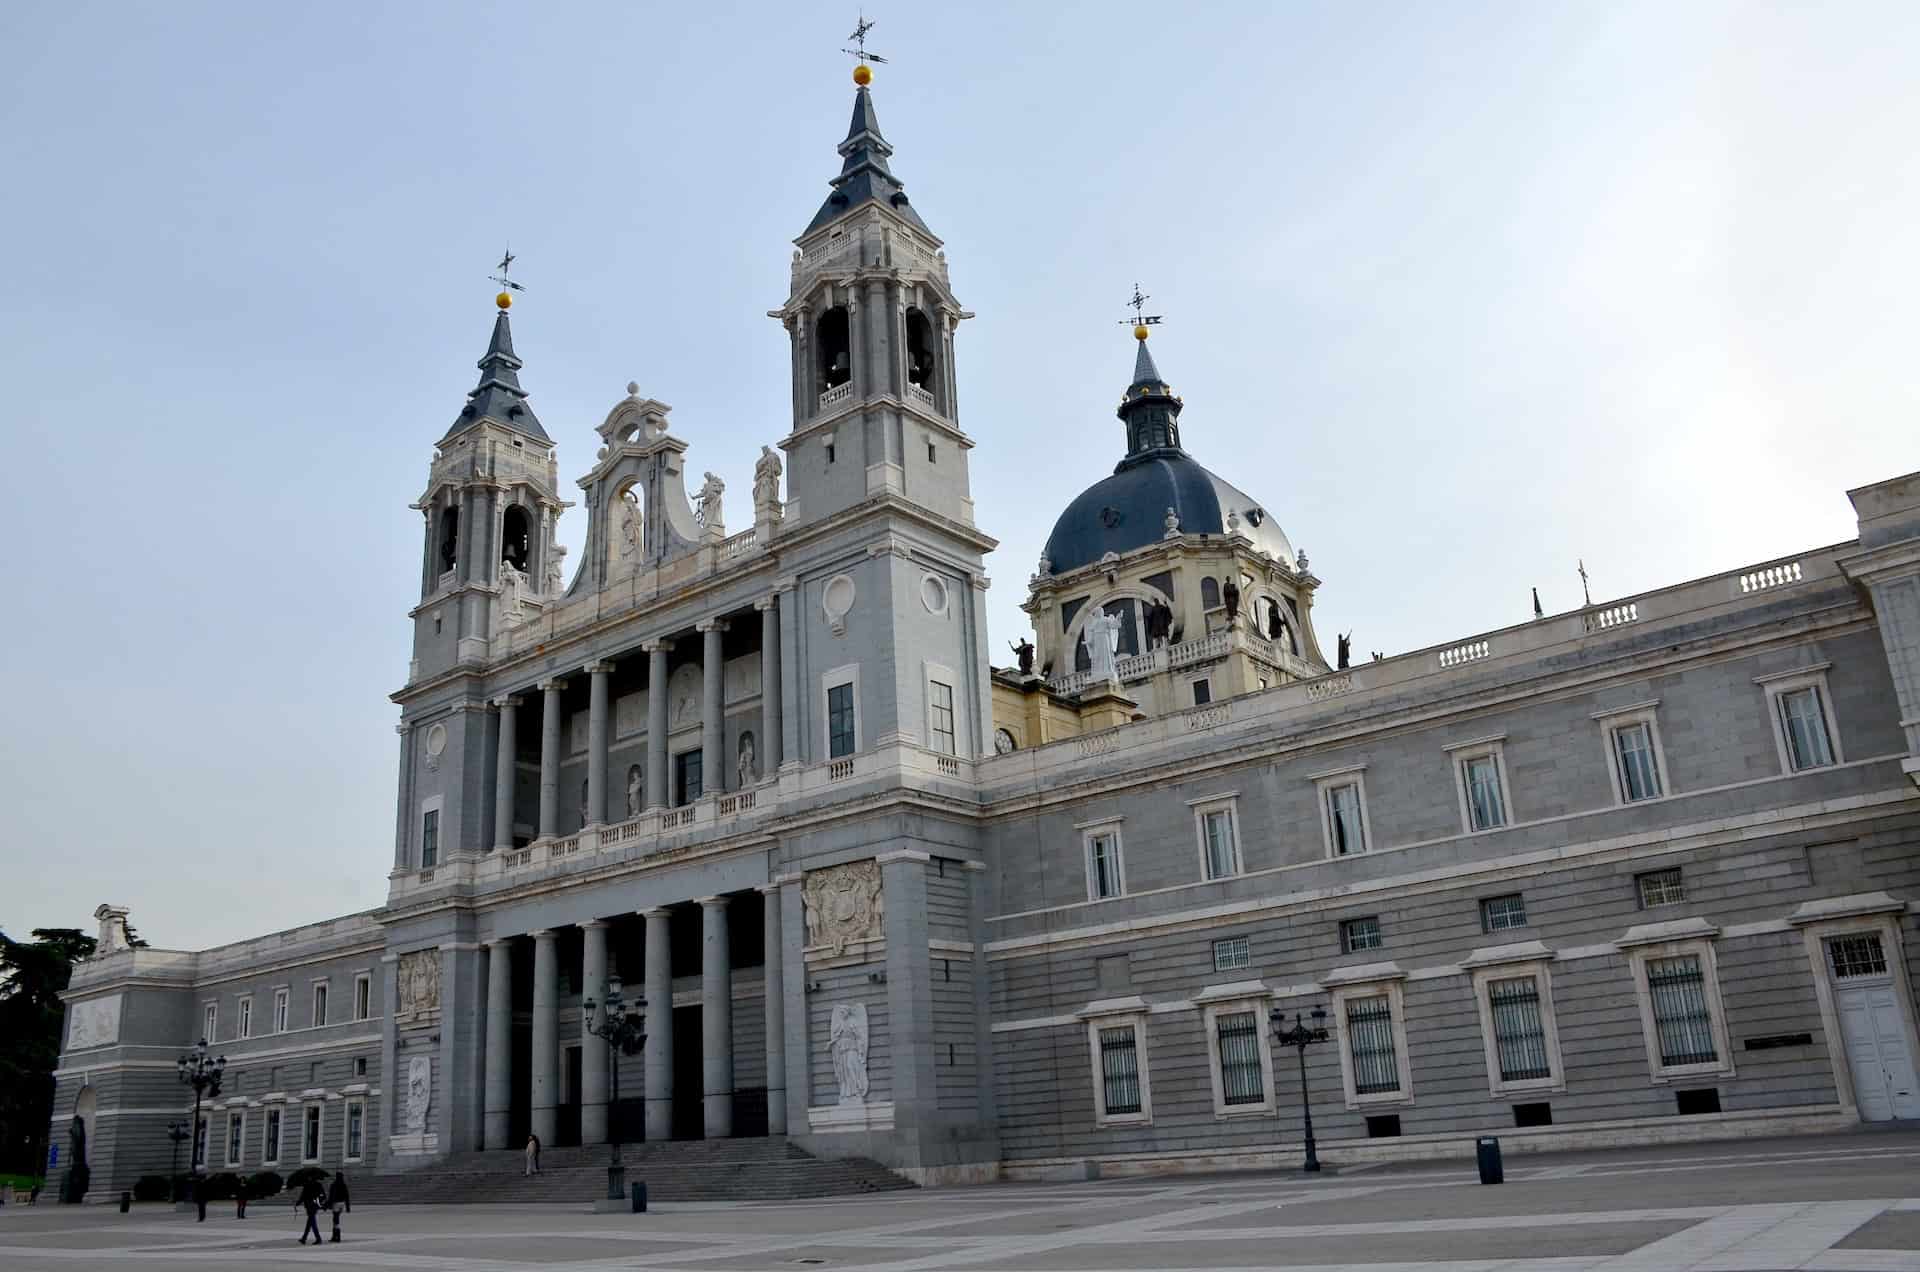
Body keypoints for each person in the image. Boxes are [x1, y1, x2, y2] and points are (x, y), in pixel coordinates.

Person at [295, 1173, 325, 1245]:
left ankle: (318, 1239)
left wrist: (298, 1203)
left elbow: (303, 1196)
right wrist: (319, 1202)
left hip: (310, 1205)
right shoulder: (318, 1185)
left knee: (312, 1222)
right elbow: (323, 1195)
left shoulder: (307, 1185)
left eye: (309, 1177)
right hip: (314, 1205)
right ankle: (304, 1238)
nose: (308, 1178)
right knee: (310, 1222)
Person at [326, 1172, 350, 1243]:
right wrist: (348, 1207)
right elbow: (347, 1196)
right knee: (335, 1219)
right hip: (342, 1204)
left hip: (336, 1203)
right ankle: (334, 1236)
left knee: (336, 1220)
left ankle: (337, 1237)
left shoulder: (334, 1184)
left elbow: (331, 1195)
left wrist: (329, 1204)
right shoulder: (344, 1185)